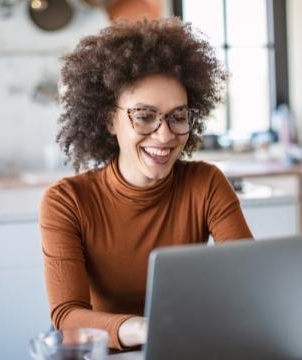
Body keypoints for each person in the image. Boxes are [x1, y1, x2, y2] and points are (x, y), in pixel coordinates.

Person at [39, 17, 253, 351]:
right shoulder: (67, 201)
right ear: (110, 119)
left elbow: (249, 279)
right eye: (144, 116)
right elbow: (67, 317)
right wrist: (144, 329)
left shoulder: (206, 183)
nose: (165, 135)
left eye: (177, 116)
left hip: (190, 348)